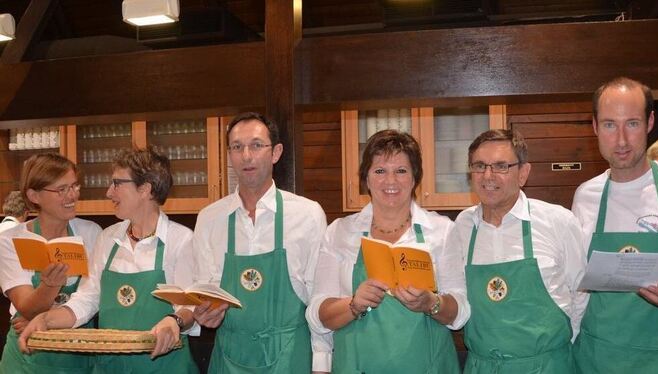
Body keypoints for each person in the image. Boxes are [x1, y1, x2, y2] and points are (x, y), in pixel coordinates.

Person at [18, 147, 199, 373]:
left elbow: (190, 306)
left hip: (165, 367)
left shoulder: (181, 240)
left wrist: (174, 320)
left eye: (117, 184)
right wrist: (46, 319)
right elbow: (87, 299)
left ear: (145, 189)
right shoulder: (107, 238)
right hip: (110, 367)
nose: (108, 192)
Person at [307, 129, 468, 373]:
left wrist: (431, 302)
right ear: (366, 179)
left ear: (415, 178)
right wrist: (353, 304)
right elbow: (318, 315)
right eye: (380, 171)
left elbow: (460, 311)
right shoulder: (339, 232)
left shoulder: (442, 231)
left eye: (401, 171)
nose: (390, 181)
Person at [192, 112, 328, 373]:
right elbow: (205, 289)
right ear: (229, 155)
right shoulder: (209, 218)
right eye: (237, 147)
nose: (246, 155)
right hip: (229, 357)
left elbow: (318, 297)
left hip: (290, 357)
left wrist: (322, 361)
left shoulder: (308, 214)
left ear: (275, 153)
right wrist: (205, 313)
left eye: (256, 145)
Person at [450, 129, 586, 373]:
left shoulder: (558, 221)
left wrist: (559, 352)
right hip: (482, 366)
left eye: (501, 166)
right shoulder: (462, 226)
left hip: (548, 366)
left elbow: (582, 295)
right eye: (479, 166)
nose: (488, 176)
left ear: (523, 173)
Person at [571, 77, 658, 373]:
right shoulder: (586, 195)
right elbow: (577, 285)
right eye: (610, 125)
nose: (622, 140)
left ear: (650, 122)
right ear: (595, 127)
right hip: (598, 357)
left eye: (633, 123)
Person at [0, 153, 101, 373]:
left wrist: (47, 321)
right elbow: (26, 306)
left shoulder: (91, 233)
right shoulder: (10, 240)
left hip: (78, 355)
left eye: (74, 186)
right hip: (28, 357)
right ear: (34, 195)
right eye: (61, 190)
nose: (72, 195)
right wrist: (49, 286)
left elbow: (94, 296)